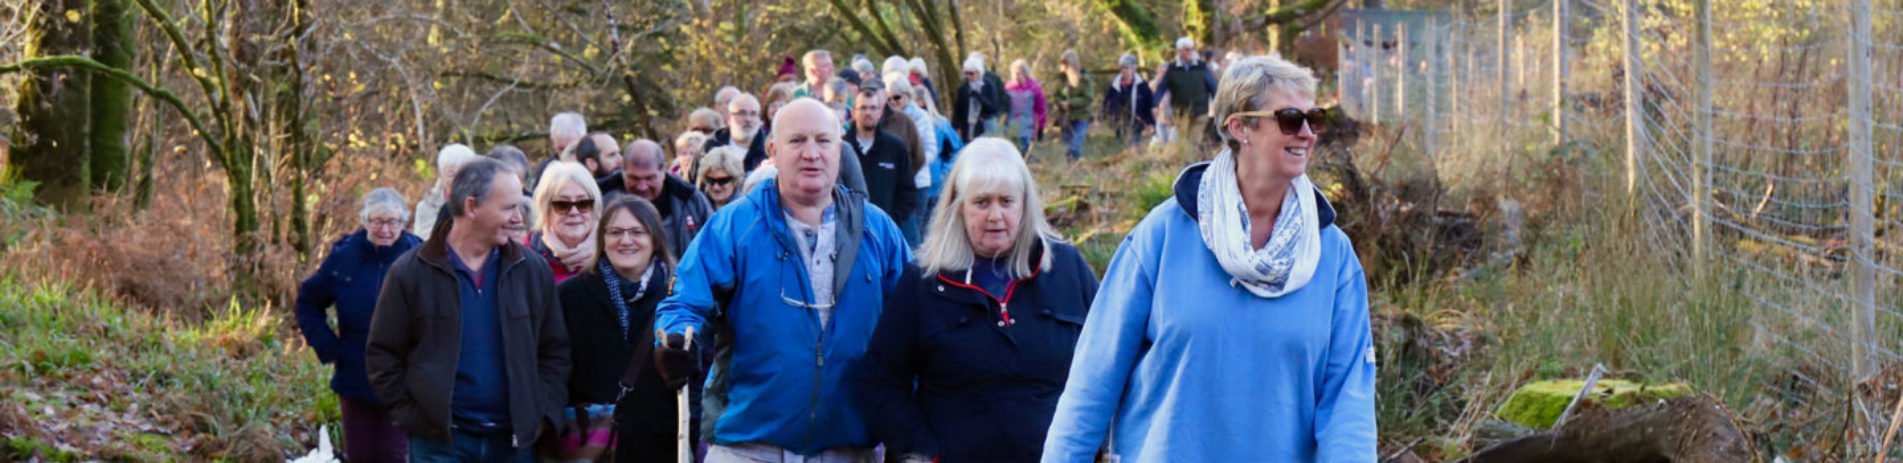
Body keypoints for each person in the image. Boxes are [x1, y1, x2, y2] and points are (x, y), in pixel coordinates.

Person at [1040, 56, 1374, 462]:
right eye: (1289, 118)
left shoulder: (1332, 257)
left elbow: (1347, 403)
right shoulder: (1162, 237)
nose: (1306, 133)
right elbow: (1093, 381)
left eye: (1314, 118)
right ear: (1239, 127)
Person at [652, 99, 912, 461]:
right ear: (773, 150)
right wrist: (676, 337)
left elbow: (915, 321)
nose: (811, 153)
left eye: (823, 141)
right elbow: (685, 299)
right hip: (749, 445)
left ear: (839, 150)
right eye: (797, 141)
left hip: (849, 445)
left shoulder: (878, 231)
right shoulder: (737, 225)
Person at [859, 139, 1097, 463]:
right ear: (959, 207)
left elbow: (1109, 363)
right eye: (982, 203)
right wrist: (924, 453)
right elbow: (880, 381)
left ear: (1025, 205)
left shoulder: (1067, 269)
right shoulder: (925, 282)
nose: (995, 216)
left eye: (1006, 201)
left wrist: (1095, 444)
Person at [366, 158, 570, 462]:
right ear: (472, 207)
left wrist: (541, 414)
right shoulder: (411, 272)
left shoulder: (531, 270)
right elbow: (383, 356)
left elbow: (554, 351)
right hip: (439, 445)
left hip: (514, 445)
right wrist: (416, 418)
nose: (519, 217)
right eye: (508, 208)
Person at [295, 187, 423, 463]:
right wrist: (328, 346)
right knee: (361, 455)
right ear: (364, 221)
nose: (385, 229)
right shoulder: (344, 257)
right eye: (377, 221)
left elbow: (441, 313)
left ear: (404, 222)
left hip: (403, 377)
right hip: (355, 373)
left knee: (394, 455)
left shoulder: (419, 258)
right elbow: (308, 301)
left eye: (392, 222)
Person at [556, 196, 680, 462]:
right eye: (615, 232)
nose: (626, 241)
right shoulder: (570, 296)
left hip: (659, 445)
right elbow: (555, 369)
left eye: (637, 232)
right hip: (589, 443)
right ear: (602, 239)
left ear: (655, 239)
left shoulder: (678, 297)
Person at [598, 139, 714, 260]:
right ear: (622, 172)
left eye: (649, 178)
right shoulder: (601, 200)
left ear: (663, 171)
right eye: (634, 178)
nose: (642, 187)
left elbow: (715, 245)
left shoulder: (690, 199)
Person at [845, 86, 920, 229]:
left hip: (886, 229)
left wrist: (893, 219)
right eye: (863, 108)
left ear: (880, 112)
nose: (868, 112)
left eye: (873, 108)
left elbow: (908, 191)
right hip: (850, 230)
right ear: (853, 112)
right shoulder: (842, 148)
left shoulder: (895, 147)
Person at [530, 162, 604, 284]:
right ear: (545, 208)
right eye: (562, 205)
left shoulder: (612, 253)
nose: (574, 212)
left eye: (583, 203)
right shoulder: (526, 258)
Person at [1155, 37, 1219, 148]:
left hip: (1200, 112)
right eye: (1187, 49)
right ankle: (1185, 162)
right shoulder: (1172, 68)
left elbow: (1213, 86)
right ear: (1179, 51)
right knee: (1183, 144)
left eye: (1192, 49)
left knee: (1194, 143)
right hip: (1181, 113)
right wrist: (1155, 104)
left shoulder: (1201, 67)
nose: (1190, 52)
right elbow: (1161, 87)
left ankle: (1191, 162)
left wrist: (1219, 104)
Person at [413, 144, 480, 237]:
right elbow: (422, 243)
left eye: (463, 173)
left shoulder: (485, 201)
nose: (458, 179)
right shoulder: (426, 207)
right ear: (442, 176)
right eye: (451, 175)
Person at [701, 93, 769, 173]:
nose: (748, 119)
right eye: (742, 113)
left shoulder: (768, 150)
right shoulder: (711, 146)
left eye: (753, 114)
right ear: (729, 118)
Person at [1100, 53, 1156, 148]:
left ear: (1134, 69)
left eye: (1126, 68)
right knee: (1120, 150)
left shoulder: (1142, 86)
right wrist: (1101, 117)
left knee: (1133, 149)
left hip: (1136, 125)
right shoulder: (1114, 85)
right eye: (1121, 68)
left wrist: (1150, 123)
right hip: (1119, 124)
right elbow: (1107, 102)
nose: (1123, 71)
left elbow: (1149, 105)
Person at [1052, 50, 1096, 160]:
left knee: (1075, 146)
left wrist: (1070, 103)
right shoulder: (1061, 79)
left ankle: (1079, 166)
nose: (1063, 67)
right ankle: (1071, 171)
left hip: (1081, 117)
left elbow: (1088, 98)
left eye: (1065, 64)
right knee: (1067, 147)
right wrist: (1061, 103)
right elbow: (1056, 95)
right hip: (1066, 118)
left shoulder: (1084, 79)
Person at [951, 56, 1002, 142]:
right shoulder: (963, 87)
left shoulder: (988, 85)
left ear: (979, 73)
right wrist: (956, 127)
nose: (968, 76)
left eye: (971, 73)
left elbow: (994, 107)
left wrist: (980, 98)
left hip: (986, 124)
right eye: (966, 73)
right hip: (968, 126)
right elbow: (958, 110)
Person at [1003, 59, 1048, 153]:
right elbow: (1003, 107)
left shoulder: (1034, 88)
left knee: (1024, 153)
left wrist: (1041, 127)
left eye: (1019, 73)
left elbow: (1041, 109)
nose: (1016, 76)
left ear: (1025, 74)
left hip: (1027, 127)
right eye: (1014, 74)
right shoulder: (1008, 87)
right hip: (1011, 126)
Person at [695, 145, 746, 210]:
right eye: (711, 180)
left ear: (735, 180)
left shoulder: (745, 207)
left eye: (722, 181)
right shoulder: (697, 206)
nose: (716, 187)